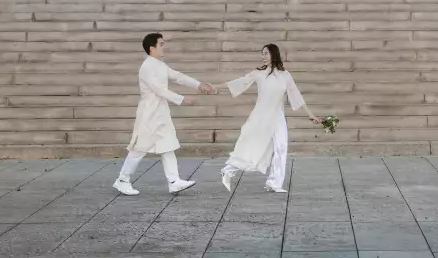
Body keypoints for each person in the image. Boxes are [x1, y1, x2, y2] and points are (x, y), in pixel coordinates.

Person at [112, 32, 216, 196]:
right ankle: (122, 180)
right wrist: (182, 99)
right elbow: (159, 90)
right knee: (139, 148)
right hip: (149, 114)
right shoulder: (146, 67)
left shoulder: (160, 65)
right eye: (161, 44)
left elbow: (177, 76)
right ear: (152, 48)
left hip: (161, 113)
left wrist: (199, 85)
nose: (164, 47)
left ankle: (174, 181)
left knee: (168, 146)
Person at [220, 44, 321, 193]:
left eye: (266, 53)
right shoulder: (258, 73)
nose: (263, 56)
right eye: (262, 53)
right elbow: (239, 82)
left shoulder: (285, 75)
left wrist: (311, 115)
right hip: (260, 115)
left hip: (278, 116)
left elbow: (296, 96)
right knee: (251, 144)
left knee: (281, 147)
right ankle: (228, 170)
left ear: (274, 54)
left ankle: (274, 183)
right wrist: (215, 87)